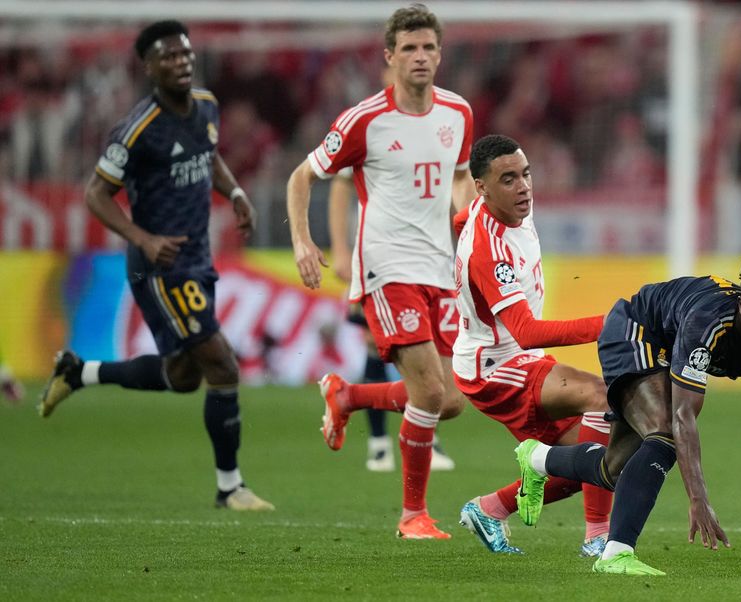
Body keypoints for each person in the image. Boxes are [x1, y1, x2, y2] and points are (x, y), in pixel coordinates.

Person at [37, 20, 273, 512]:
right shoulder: (137, 128)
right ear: (149, 67)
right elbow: (95, 194)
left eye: (185, 53)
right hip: (158, 266)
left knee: (184, 377)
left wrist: (236, 192)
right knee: (222, 365)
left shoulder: (206, 105)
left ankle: (78, 373)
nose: (181, 62)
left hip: (196, 259)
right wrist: (143, 238)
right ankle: (231, 488)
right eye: (168, 56)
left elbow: (208, 157)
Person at [286, 4, 474, 539]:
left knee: (453, 400)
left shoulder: (457, 113)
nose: (420, 57)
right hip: (387, 268)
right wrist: (305, 240)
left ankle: (347, 396)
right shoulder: (363, 120)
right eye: (409, 48)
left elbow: (460, 177)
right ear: (390, 57)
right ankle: (413, 515)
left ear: (440, 54)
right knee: (430, 395)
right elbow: (303, 177)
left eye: (428, 47)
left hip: (441, 268)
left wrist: (467, 219)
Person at [514, 251, 741, 577]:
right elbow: (683, 416)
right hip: (636, 329)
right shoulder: (709, 320)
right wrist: (698, 498)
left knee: (612, 471)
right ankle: (616, 553)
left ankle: (538, 458)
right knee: (664, 434)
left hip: (668, 347)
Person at [449, 134, 613, 556]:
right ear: (482, 187)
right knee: (603, 399)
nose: (523, 186)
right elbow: (527, 331)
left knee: (596, 457)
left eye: (525, 174)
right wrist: (607, 324)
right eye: (508, 179)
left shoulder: (508, 205)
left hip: (517, 359)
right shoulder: (489, 250)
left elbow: (458, 219)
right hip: (496, 367)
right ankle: (599, 539)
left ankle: (490, 509)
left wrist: (458, 230)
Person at [326, 174, 456, 473]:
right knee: (375, 344)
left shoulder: (436, 142)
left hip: (430, 264)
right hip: (379, 262)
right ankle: (379, 442)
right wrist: (342, 250)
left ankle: (428, 436)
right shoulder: (374, 134)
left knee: (431, 354)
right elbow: (341, 182)